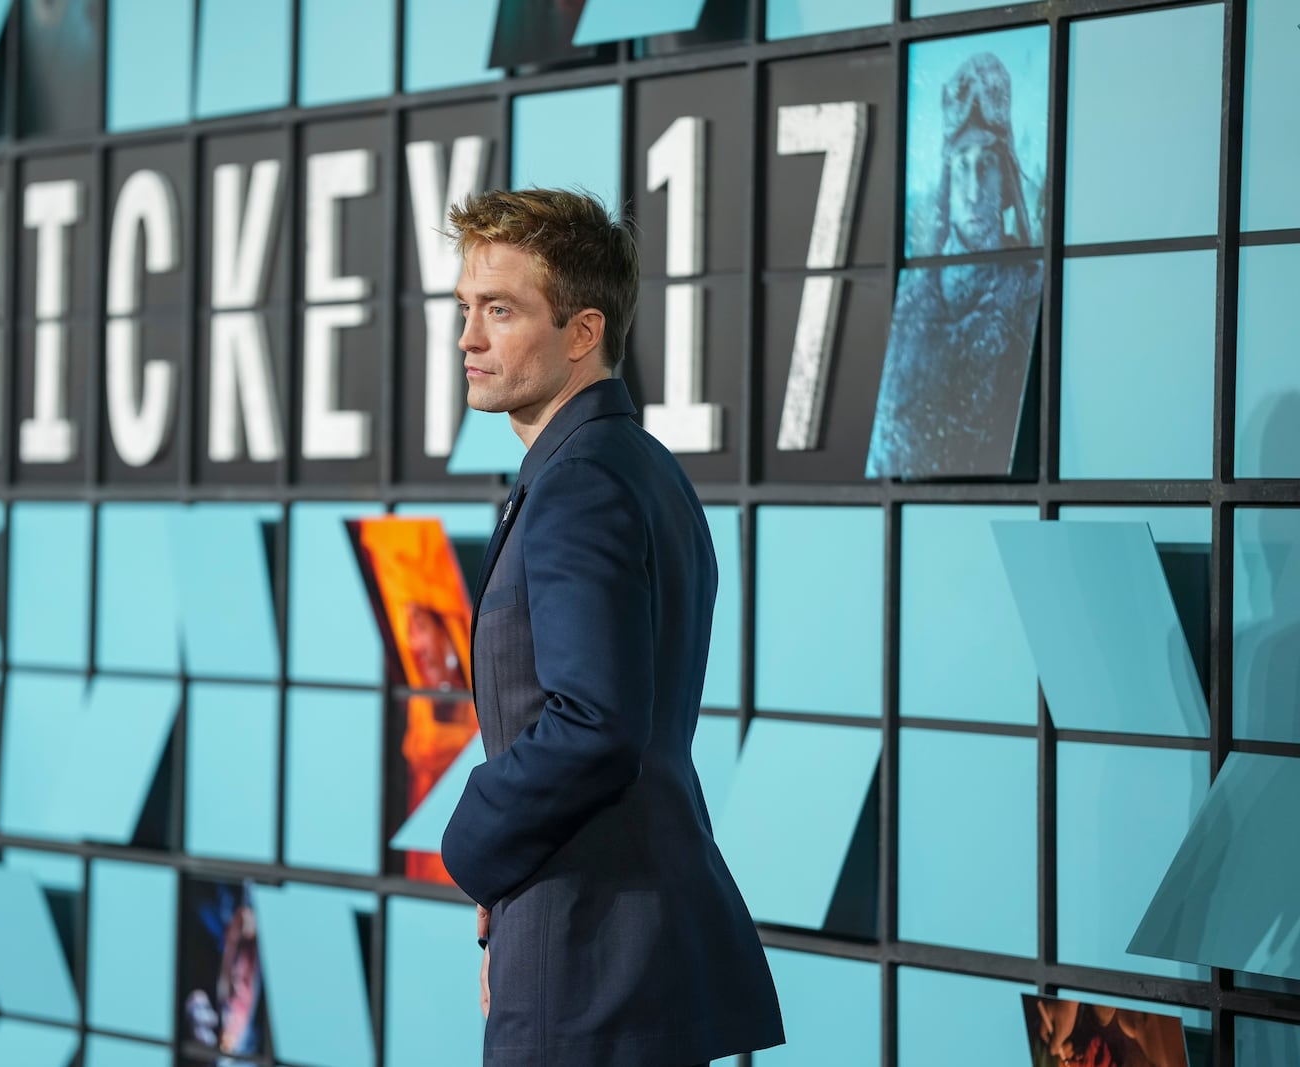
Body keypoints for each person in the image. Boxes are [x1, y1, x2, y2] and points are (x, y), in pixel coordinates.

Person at [439, 188, 784, 1066]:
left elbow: (595, 724)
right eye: (466, 310)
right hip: (620, 948)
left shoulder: (581, 484)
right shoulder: (638, 466)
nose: (468, 339)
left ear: (582, 331)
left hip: (589, 961)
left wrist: (475, 842)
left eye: (500, 311)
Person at [867, 50, 1043, 479]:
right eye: (961, 168)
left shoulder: (1029, 290)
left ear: (1005, 178)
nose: (972, 189)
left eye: (986, 166)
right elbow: (888, 450)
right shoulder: (913, 302)